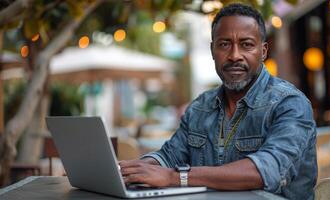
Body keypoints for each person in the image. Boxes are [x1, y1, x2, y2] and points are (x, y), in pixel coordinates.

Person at [120, 3, 317, 200]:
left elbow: (267, 170)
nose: (234, 56)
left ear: (263, 51)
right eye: (224, 44)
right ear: (213, 50)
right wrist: (136, 169)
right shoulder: (200, 106)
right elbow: (170, 156)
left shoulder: (290, 104)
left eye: (246, 44)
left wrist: (175, 177)